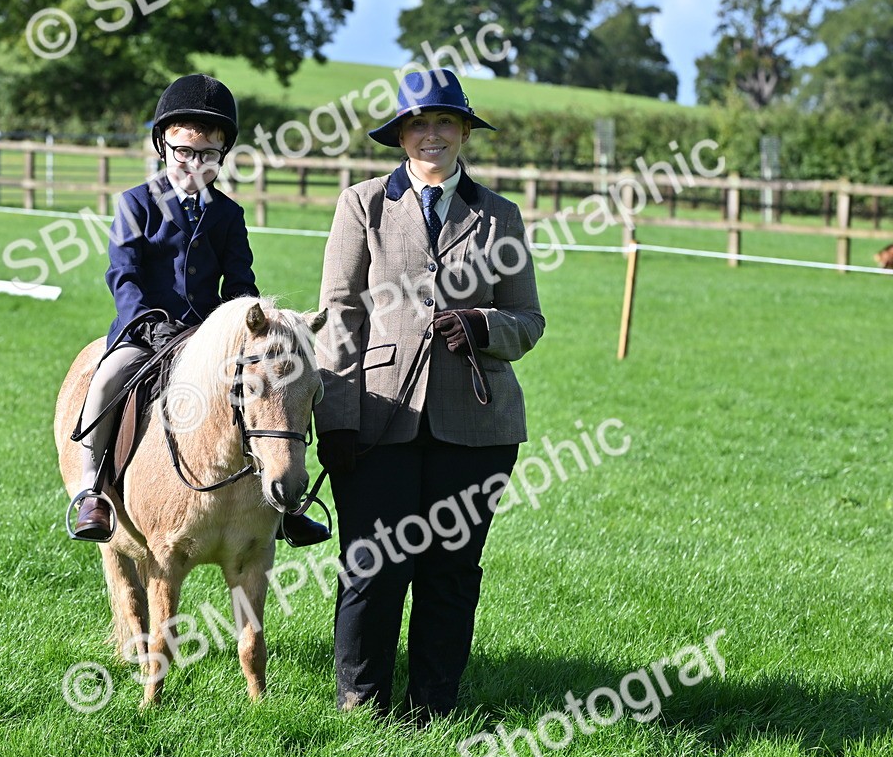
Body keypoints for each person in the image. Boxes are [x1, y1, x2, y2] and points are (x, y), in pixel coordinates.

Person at [314, 68, 545, 722]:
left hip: (477, 429)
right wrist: (337, 420)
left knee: (451, 573)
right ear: (401, 135)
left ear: (465, 131)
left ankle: (433, 711)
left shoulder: (500, 215)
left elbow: (528, 320)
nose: (433, 134)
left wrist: (483, 326)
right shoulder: (362, 205)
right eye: (419, 123)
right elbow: (339, 317)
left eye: (446, 120)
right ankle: (361, 708)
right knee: (372, 568)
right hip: (377, 420)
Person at [69, 73, 330, 547]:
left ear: (222, 156)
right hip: (144, 332)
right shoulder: (135, 204)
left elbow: (241, 282)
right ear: (163, 147)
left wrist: (245, 323)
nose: (195, 164)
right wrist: (145, 322)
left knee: (272, 388)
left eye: (208, 155)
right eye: (184, 152)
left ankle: (283, 504)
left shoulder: (228, 214)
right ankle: (92, 489)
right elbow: (123, 275)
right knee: (107, 378)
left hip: (207, 339)